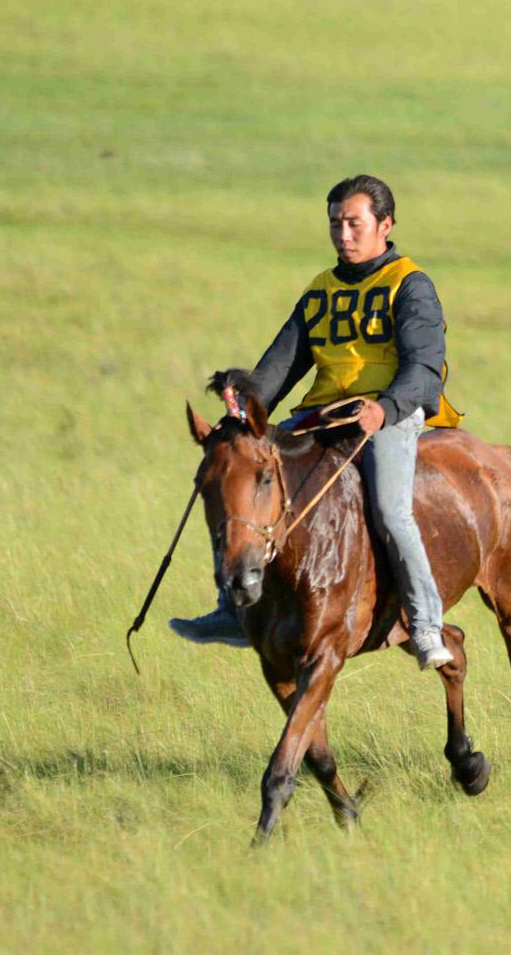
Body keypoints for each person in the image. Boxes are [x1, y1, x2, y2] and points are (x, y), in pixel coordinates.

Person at [170, 174, 465, 668]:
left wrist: (384, 409)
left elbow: (424, 368)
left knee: (392, 511)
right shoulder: (320, 290)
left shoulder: (410, 285)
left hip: (386, 415)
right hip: (323, 417)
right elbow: (279, 367)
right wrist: (242, 407)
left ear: (385, 224)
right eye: (335, 224)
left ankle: (426, 622)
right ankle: (232, 609)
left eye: (353, 223)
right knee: (241, 482)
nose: (343, 235)